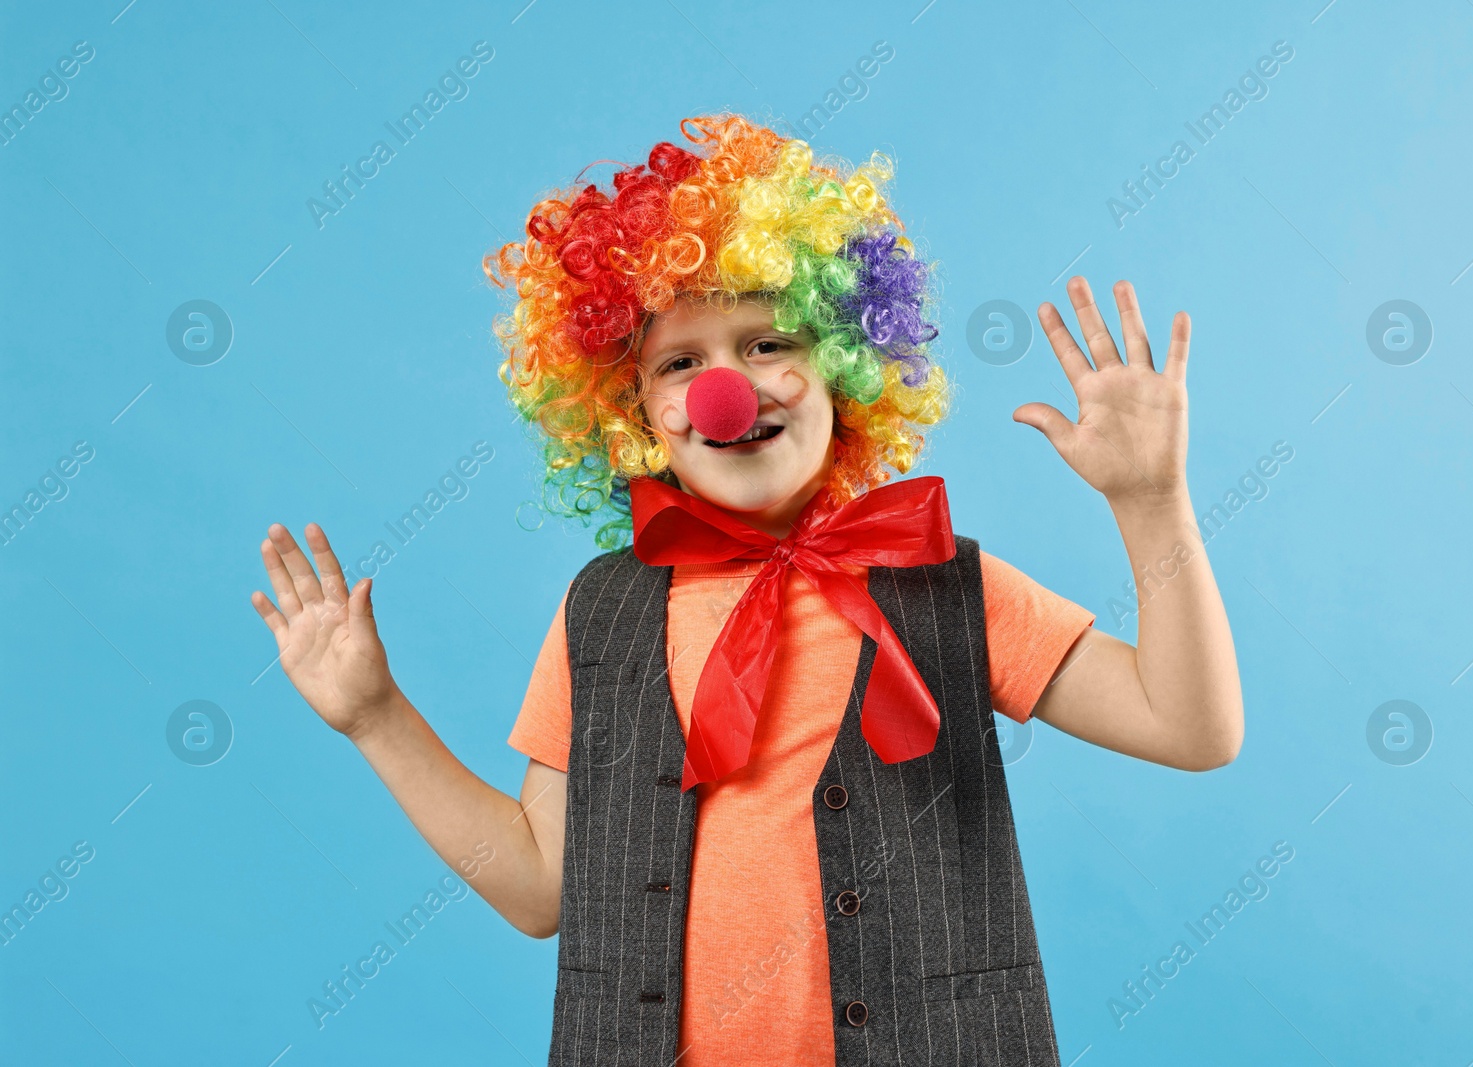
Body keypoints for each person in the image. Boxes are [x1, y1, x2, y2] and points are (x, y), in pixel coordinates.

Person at [248, 113, 1243, 1067]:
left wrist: (1151, 503)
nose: (727, 389)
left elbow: (1191, 729)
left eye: (767, 343)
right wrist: (376, 717)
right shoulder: (600, 613)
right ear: (632, 410)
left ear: (847, 364)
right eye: (680, 361)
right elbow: (539, 885)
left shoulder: (943, 578)